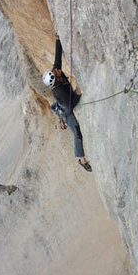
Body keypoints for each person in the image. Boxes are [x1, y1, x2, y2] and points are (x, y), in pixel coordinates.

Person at [42, 34, 92, 172]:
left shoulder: (56, 75)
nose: (57, 70)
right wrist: (77, 93)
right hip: (66, 109)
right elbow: (71, 104)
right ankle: (82, 160)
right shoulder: (59, 92)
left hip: (65, 103)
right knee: (77, 133)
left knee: (77, 132)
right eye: (56, 72)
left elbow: (57, 58)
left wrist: (58, 40)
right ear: (56, 80)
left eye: (55, 70)